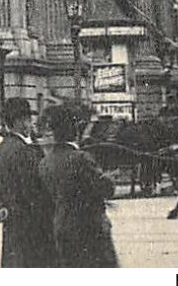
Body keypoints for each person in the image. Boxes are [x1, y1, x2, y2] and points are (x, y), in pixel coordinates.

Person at [37, 106, 118, 267]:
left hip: (62, 228)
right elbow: (106, 189)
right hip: (91, 230)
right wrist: (109, 178)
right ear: (75, 130)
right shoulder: (81, 158)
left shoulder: (45, 162)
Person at [0, 98, 56, 268]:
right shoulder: (26, 152)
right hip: (34, 229)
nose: (31, 123)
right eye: (28, 119)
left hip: (11, 227)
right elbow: (37, 190)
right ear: (19, 121)